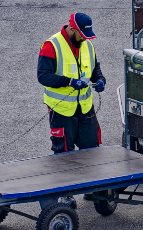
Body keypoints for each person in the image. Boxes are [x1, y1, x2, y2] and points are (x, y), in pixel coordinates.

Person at [37, 13, 107, 154]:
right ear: (72, 30)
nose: (84, 39)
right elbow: (43, 76)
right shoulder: (52, 45)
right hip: (62, 110)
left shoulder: (87, 44)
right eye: (81, 35)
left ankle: (90, 177)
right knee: (64, 154)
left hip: (85, 108)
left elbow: (94, 68)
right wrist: (69, 82)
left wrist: (100, 80)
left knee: (92, 151)